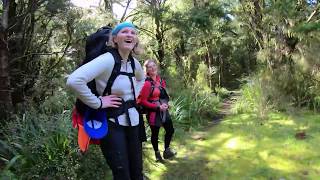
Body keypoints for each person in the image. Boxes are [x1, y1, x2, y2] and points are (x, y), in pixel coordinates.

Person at [66, 22, 145, 180]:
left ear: (136, 40)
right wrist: (98, 103)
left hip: (133, 122)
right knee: (122, 173)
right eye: (124, 32)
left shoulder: (134, 63)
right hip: (111, 123)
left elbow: (141, 79)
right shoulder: (107, 60)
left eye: (133, 32)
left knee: (137, 172)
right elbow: (74, 80)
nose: (130, 35)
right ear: (115, 39)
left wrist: (133, 95)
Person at [138, 59, 176, 162]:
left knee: (170, 130)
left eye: (154, 65)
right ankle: (157, 154)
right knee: (155, 134)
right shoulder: (146, 84)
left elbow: (163, 95)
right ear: (147, 70)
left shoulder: (160, 80)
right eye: (150, 67)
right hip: (153, 113)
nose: (153, 68)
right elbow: (143, 101)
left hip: (163, 110)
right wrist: (157, 107)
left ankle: (166, 151)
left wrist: (167, 104)